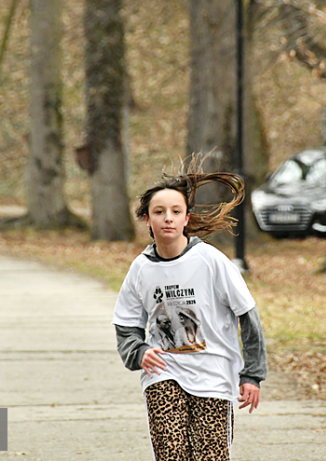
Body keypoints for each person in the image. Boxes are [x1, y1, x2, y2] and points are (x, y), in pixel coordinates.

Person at [112, 160, 267, 461]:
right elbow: (126, 324)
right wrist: (139, 351)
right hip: (163, 372)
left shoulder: (211, 261)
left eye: (175, 211)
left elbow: (248, 316)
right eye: (159, 212)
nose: (167, 219)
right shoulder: (141, 269)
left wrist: (252, 375)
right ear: (147, 219)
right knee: (171, 455)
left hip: (213, 374)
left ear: (186, 218)